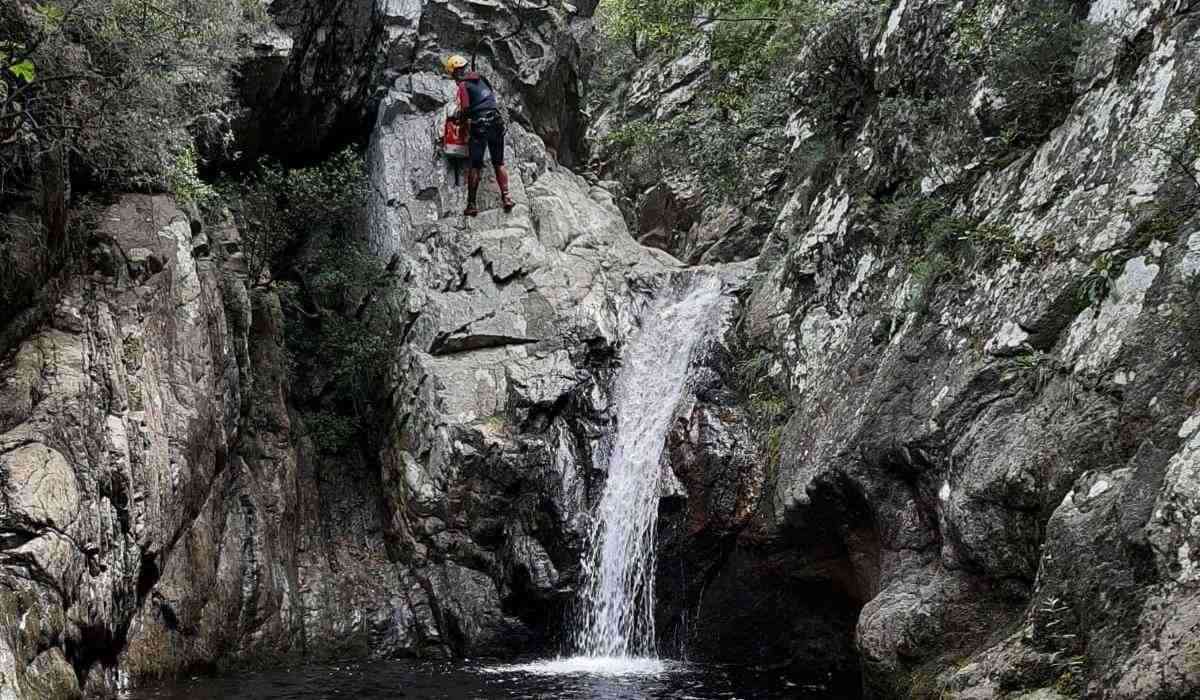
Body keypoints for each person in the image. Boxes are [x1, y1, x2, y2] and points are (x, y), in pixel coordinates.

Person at [443, 55, 515, 216]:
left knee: (475, 165)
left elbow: (467, 108)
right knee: (499, 162)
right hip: (496, 122)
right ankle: (506, 197)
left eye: (452, 75)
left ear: (455, 72)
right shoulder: (481, 78)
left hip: (480, 126)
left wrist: (459, 119)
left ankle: (471, 205)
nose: (453, 78)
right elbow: (489, 97)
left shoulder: (462, 85)